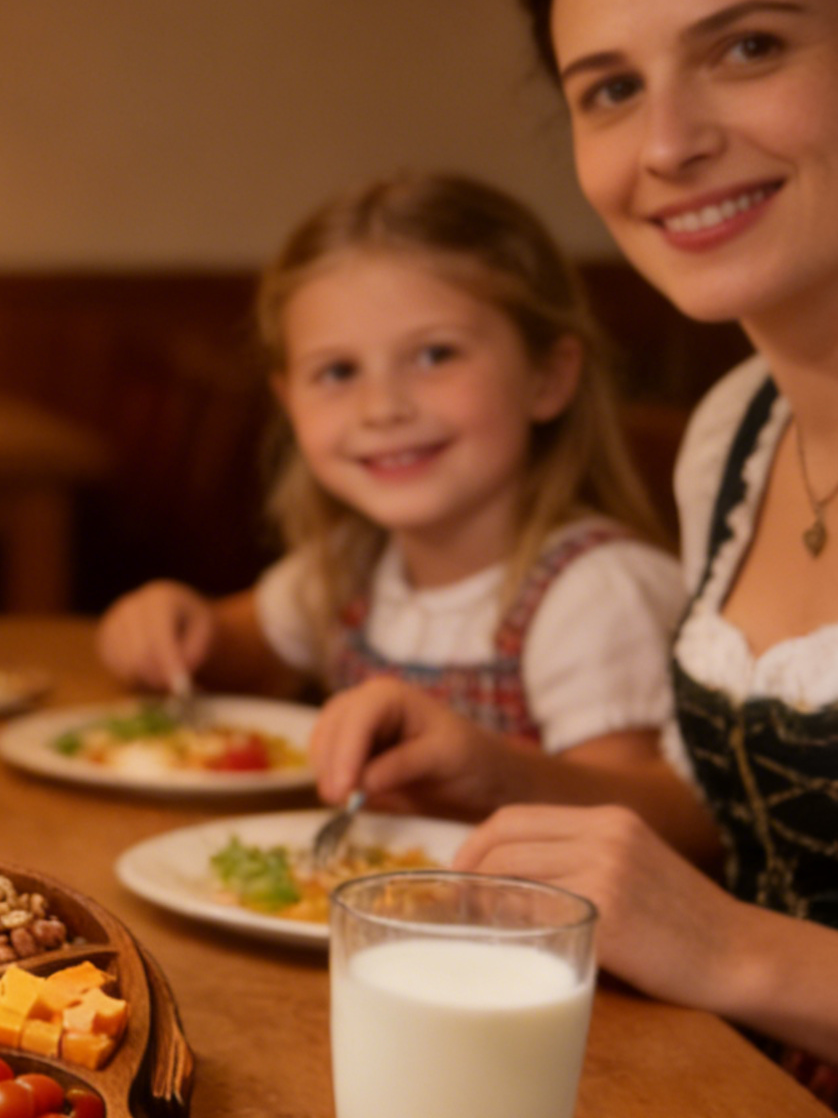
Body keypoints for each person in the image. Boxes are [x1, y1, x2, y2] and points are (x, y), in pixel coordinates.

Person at [321, 0, 838, 1118]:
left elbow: (728, 923)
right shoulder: (734, 429)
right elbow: (751, 827)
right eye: (608, 87)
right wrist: (497, 770)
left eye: (745, 48)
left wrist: (730, 952)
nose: (666, 143)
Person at [94, 171, 689, 804]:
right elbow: (238, 647)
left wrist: (497, 774)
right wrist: (173, 624)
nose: (382, 407)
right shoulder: (351, 563)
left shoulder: (597, 596)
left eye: (435, 355)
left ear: (547, 375)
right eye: (338, 371)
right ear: (289, 402)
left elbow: (640, 820)